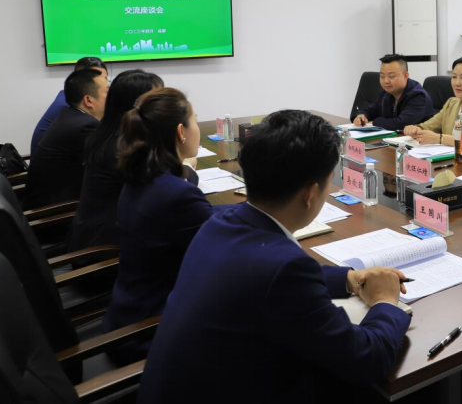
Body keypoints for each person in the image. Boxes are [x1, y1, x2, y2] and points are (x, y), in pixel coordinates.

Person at [137, 110, 411, 403]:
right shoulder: (286, 269)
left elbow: (267, 276)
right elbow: (366, 360)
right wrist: (384, 301)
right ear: (310, 194)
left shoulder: (220, 223)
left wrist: (346, 278)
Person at [103, 88, 228, 358]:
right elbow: (230, 250)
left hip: (129, 313)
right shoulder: (175, 194)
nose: (197, 127)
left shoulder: (142, 176)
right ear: (181, 131)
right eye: (195, 120)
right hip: (152, 331)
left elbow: (204, 218)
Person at [65, 70, 164, 253]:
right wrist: (186, 164)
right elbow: (163, 190)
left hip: (100, 237)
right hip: (106, 253)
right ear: (136, 106)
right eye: (157, 101)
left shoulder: (109, 135)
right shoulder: (123, 148)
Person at [23, 68, 109, 210]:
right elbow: (106, 168)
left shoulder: (70, 116)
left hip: (48, 202)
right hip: (56, 214)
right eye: (107, 91)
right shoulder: (85, 126)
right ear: (88, 100)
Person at [31, 56, 107, 155]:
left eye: (105, 79)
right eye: (97, 78)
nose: (104, 83)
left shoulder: (69, 98)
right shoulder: (69, 107)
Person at [352, 54, 435, 130]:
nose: (386, 81)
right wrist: (362, 116)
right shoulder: (387, 92)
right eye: (382, 76)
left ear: (406, 76)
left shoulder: (418, 96)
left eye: (391, 76)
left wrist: (375, 121)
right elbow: (371, 110)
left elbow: (401, 124)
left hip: (417, 143)